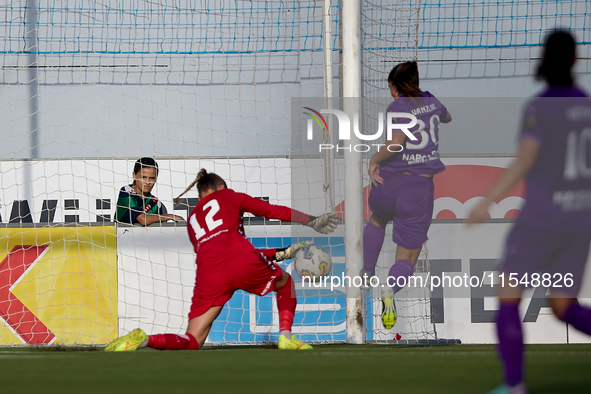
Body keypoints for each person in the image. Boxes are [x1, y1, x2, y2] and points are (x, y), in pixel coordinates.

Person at [466, 30, 591, 394]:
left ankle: (514, 384)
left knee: (507, 292)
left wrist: (486, 201)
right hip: (579, 220)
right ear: (574, 60)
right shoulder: (586, 105)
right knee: (564, 306)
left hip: (542, 218)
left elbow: (525, 161)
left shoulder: (539, 107)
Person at [106, 169, 338, 351]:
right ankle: (286, 338)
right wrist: (310, 220)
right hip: (241, 261)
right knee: (285, 281)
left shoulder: (193, 219)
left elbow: (220, 252)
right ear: (222, 187)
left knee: (192, 341)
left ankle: (145, 339)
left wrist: (283, 251)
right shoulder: (229, 196)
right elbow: (271, 211)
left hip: (209, 275)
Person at [360, 61, 452, 329]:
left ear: (393, 87)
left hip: (388, 182)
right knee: (407, 258)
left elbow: (396, 142)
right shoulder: (432, 102)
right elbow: (448, 117)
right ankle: (388, 289)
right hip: (417, 188)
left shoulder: (397, 106)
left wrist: (373, 160)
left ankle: (366, 274)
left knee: (377, 219)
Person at [115, 157, 185, 225]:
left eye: (152, 178)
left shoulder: (156, 203)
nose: (147, 182)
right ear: (134, 175)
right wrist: (170, 216)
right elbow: (143, 220)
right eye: (143, 177)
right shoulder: (126, 192)